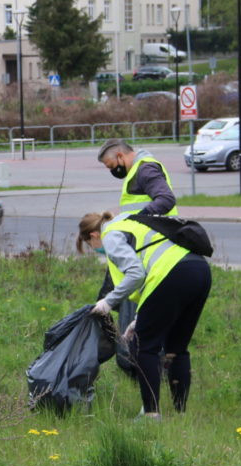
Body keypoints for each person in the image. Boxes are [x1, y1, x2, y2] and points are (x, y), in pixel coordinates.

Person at [77, 211, 211, 419]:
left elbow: (136, 273)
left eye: (89, 245)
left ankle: (151, 414)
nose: (95, 250)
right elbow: (152, 267)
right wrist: (139, 318)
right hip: (198, 269)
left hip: (171, 274)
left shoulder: (110, 234)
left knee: (141, 347)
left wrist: (107, 302)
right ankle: (180, 414)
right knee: (177, 348)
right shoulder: (131, 221)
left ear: (94, 235)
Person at [97, 139, 178, 216]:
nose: (112, 170)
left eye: (111, 166)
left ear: (120, 156)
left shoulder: (145, 169)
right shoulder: (135, 171)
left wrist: (140, 217)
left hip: (158, 229)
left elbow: (166, 199)